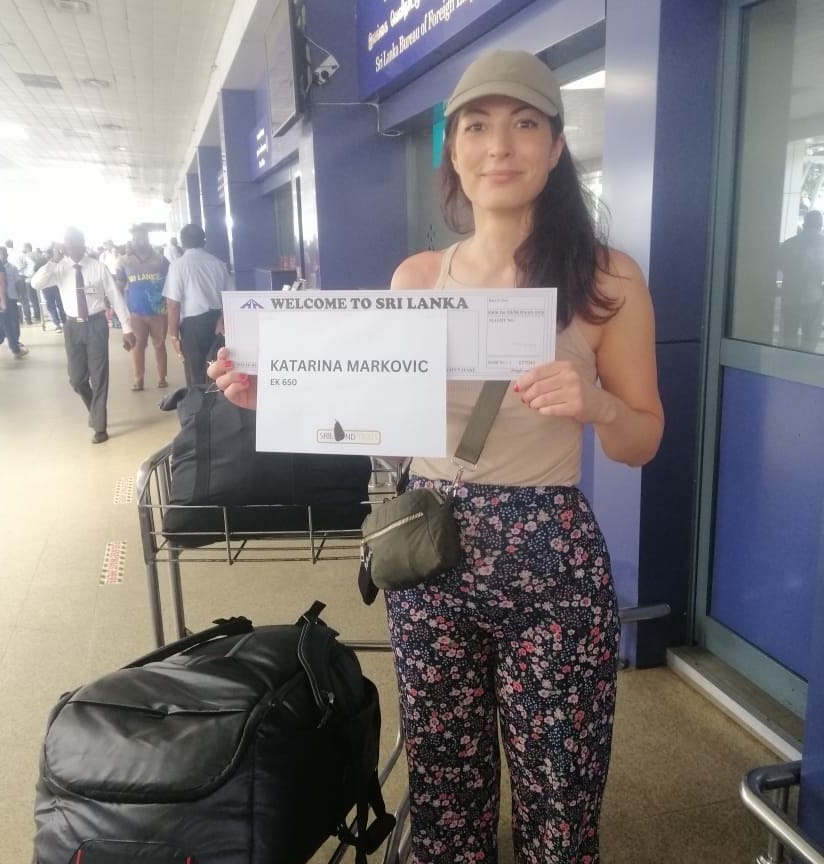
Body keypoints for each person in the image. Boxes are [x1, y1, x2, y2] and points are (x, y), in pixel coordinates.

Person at [208, 50, 664, 862]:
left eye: (526, 124)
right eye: (478, 127)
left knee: (561, 791)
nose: (501, 146)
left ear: (556, 148)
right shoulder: (416, 278)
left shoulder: (605, 280)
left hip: (549, 554)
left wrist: (595, 405)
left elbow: (645, 438)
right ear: (451, 150)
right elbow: (371, 415)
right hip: (429, 551)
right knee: (444, 785)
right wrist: (272, 398)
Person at [31, 227, 136, 443]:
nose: (72, 246)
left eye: (76, 242)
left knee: (99, 376)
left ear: (83, 243)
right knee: (77, 379)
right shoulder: (59, 268)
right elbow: (35, 283)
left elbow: (115, 297)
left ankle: (100, 426)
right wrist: (52, 260)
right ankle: (94, 411)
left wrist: (127, 328)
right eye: (68, 243)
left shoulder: (98, 268)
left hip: (97, 324)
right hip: (72, 326)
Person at [163, 223, 230, 387]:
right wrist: (222, 318)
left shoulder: (177, 266)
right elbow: (230, 299)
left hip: (192, 327)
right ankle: (217, 409)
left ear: (182, 242)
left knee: (195, 373)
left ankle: (198, 410)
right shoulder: (218, 264)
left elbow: (173, 305)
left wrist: (174, 337)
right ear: (204, 241)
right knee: (217, 370)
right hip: (217, 324)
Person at [117, 224, 170, 390]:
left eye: (142, 237)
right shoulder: (124, 261)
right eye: (135, 238)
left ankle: (162, 378)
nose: (138, 241)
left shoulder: (161, 260)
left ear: (148, 239)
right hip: (136, 312)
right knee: (137, 346)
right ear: (132, 240)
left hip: (158, 311)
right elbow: (119, 284)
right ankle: (138, 379)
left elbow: (171, 283)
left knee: (160, 345)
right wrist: (116, 308)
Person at [778, 209, 824, 352]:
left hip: (790, 297)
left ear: (804, 225)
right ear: (821, 225)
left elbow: (779, 265)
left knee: (789, 336)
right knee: (810, 339)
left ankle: (786, 365)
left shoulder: (788, 244)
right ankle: (803, 366)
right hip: (814, 297)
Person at [0, 245, 29, 358]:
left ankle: (15, 341)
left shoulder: (12, 268)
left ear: (6, 255)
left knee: (14, 321)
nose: (1, 256)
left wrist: (21, 294)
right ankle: (8, 341)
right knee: (2, 323)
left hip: (11, 297)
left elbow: (18, 282)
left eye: (2, 254)